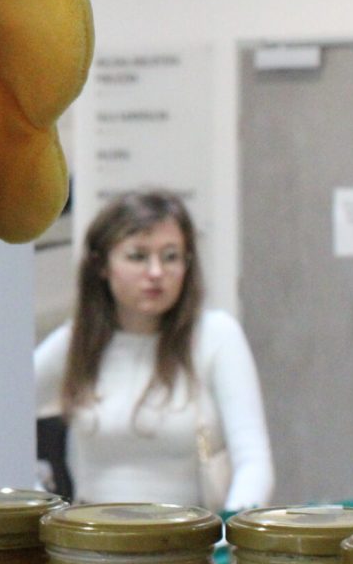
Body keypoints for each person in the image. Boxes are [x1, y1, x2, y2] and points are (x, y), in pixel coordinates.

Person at [34, 190, 273, 512]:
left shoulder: (216, 336)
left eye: (171, 256)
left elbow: (254, 462)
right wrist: (41, 508)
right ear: (101, 265)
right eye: (138, 256)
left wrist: (230, 530)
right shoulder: (76, 341)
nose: (156, 272)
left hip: (193, 532)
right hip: (93, 532)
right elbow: (1, 413)